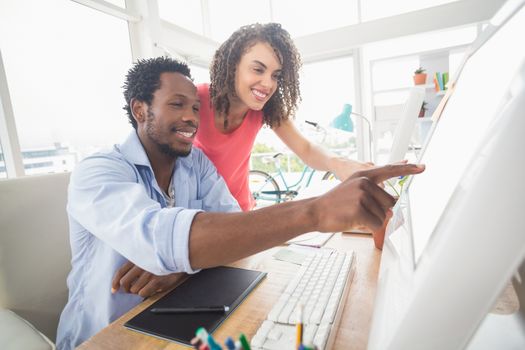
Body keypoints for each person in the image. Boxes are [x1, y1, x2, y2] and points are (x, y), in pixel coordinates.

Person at [56, 57, 424, 349]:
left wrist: (181, 268)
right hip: (105, 336)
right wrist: (316, 211)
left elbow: (231, 226)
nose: (191, 117)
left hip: (171, 316)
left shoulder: (194, 163)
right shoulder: (98, 172)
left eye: (195, 109)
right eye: (176, 105)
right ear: (140, 110)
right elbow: (160, 240)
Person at [194, 23, 373, 211]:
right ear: (232, 67)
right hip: (200, 218)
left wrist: (340, 164)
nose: (268, 83)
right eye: (258, 69)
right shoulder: (195, 99)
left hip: (240, 213)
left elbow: (306, 148)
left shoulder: (265, 110)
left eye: (275, 75)